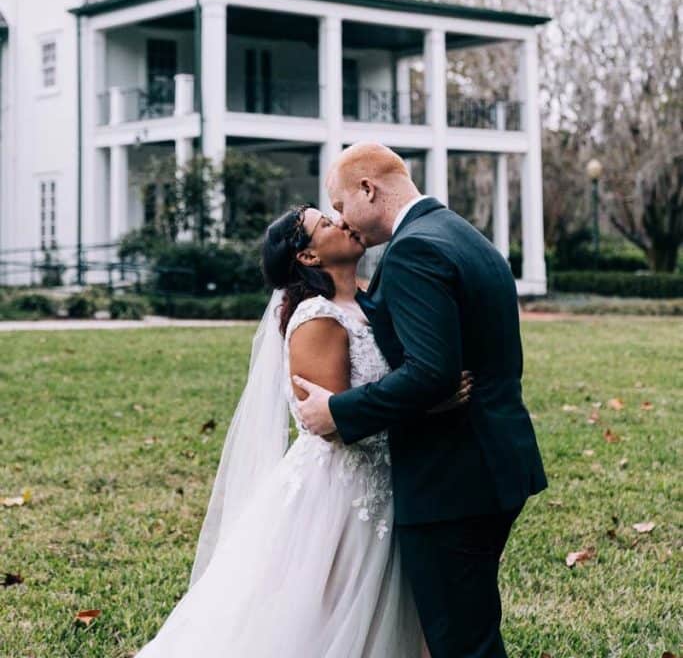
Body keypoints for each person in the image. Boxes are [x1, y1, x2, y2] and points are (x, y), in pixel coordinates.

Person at [133, 200, 471, 657]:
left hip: (395, 481)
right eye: (326, 223)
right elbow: (334, 422)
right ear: (308, 257)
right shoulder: (318, 318)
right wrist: (430, 403)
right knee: (323, 614)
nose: (343, 222)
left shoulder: (374, 298)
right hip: (343, 492)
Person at [295, 142, 548, 658]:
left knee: (461, 644)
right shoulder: (459, 233)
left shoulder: (415, 248)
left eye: (341, 206)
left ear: (368, 189)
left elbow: (433, 374)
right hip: (493, 463)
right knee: (470, 628)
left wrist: (338, 411)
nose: (343, 221)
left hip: (453, 476)